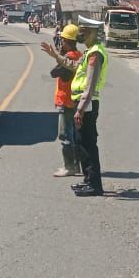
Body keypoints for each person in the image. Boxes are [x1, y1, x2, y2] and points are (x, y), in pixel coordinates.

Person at [69, 17, 108, 196]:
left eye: (84, 31)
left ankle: (94, 184)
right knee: (82, 142)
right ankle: (88, 180)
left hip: (87, 103)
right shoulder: (90, 51)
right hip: (83, 102)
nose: (81, 34)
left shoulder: (95, 54)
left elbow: (90, 85)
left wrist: (81, 109)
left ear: (93, 33)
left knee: (88, 144)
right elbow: (74, 66)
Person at [40, 24, 82, 178]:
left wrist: (59, 55)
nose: (61, 42)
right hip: (75, 101)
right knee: (75, 136)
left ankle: (68, 167)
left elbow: (54, 72)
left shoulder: (69, 57)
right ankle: (76, 166)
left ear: (66, 41)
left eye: (62, 40)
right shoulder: (78, 55)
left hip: (66, 101)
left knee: (65, 136)